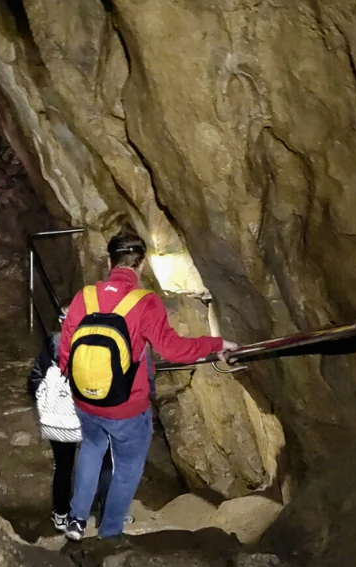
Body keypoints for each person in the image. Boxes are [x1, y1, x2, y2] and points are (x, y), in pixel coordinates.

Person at [58, 231, 238, 541]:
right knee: (127, 466)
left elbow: (66, 349)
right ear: (141, 265)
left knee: (91, 448)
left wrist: (77, 385)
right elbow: (172, 349)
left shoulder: (84, 296)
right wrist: (216, 342)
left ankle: (76, 519)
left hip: (86, 398)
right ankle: (110, 533)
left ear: (110, 261)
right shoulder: (144, 302)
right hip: (127, 405)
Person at [27, 309, 114, 532]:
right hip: (92, 414)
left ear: (60, 321)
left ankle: (61, 514)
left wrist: (46, 402)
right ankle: (104, 512)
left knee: (64, 466)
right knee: (101, 460)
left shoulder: (54, 342)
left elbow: (35, 379)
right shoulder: (101, 343)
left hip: (60, 414)